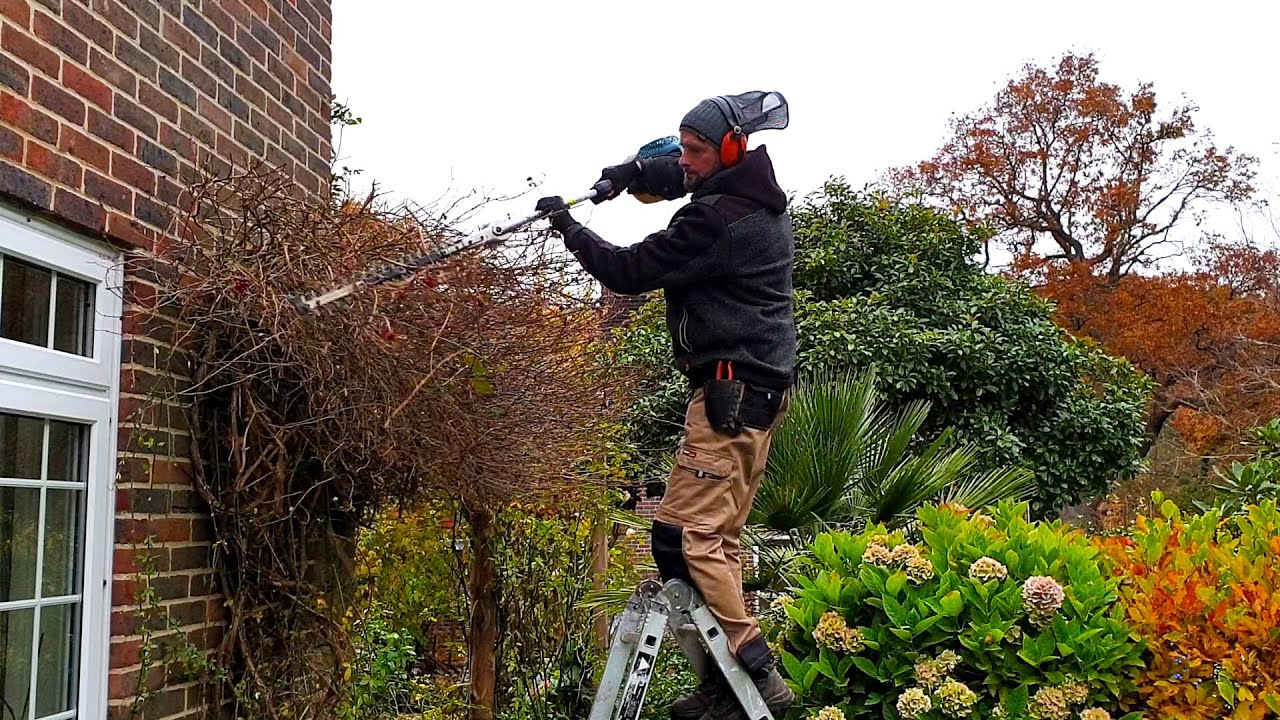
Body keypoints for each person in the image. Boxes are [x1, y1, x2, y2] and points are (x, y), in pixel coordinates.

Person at [535, 92, 796, 720]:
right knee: (713, 542)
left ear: (730, 147)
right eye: (682, 149)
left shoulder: (719, 222)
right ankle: (726, 686)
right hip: (754, 392)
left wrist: (568, 227)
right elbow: (678, 175)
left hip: (730, 397)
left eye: (696, 150)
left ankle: (753, 675)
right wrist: (628, 174)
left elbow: (628, 271)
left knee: (682, 538)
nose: (685, 161)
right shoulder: (748, 190)